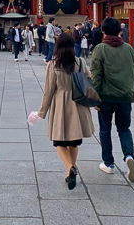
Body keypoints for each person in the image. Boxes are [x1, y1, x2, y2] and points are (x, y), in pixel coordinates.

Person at [36, 33, 95, 190]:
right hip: (78, 104)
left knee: (60, 141)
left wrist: (42, 112)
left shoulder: (54, 64)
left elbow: (49, 91)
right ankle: (71, 169)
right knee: (74, 141)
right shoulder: (81, 63)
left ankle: (70, 168)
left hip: (61, 103)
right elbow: (90, 81)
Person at [90, 17, 134, 183]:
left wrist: (95, 99)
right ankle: (129, 156)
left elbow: (96, 76)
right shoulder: (129, 49)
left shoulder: (100, 49)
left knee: (105, 130)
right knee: (124, 129)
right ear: (120, 31)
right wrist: (132, 92)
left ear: (103, 31)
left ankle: (109, 163)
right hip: (125, 96)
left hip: (106, 97)